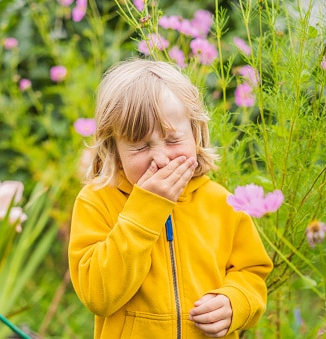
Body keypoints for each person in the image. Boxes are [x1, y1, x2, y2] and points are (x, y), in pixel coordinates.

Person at [68, 58, 273, 339]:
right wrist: (145, 211)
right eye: (140, 146)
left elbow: (251, 273)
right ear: (113, 149)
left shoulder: (221, 203)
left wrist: (234, 302)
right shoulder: (97, 202)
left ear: (196, 133)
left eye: (174, 140)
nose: (161, 159)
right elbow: (99, 296)